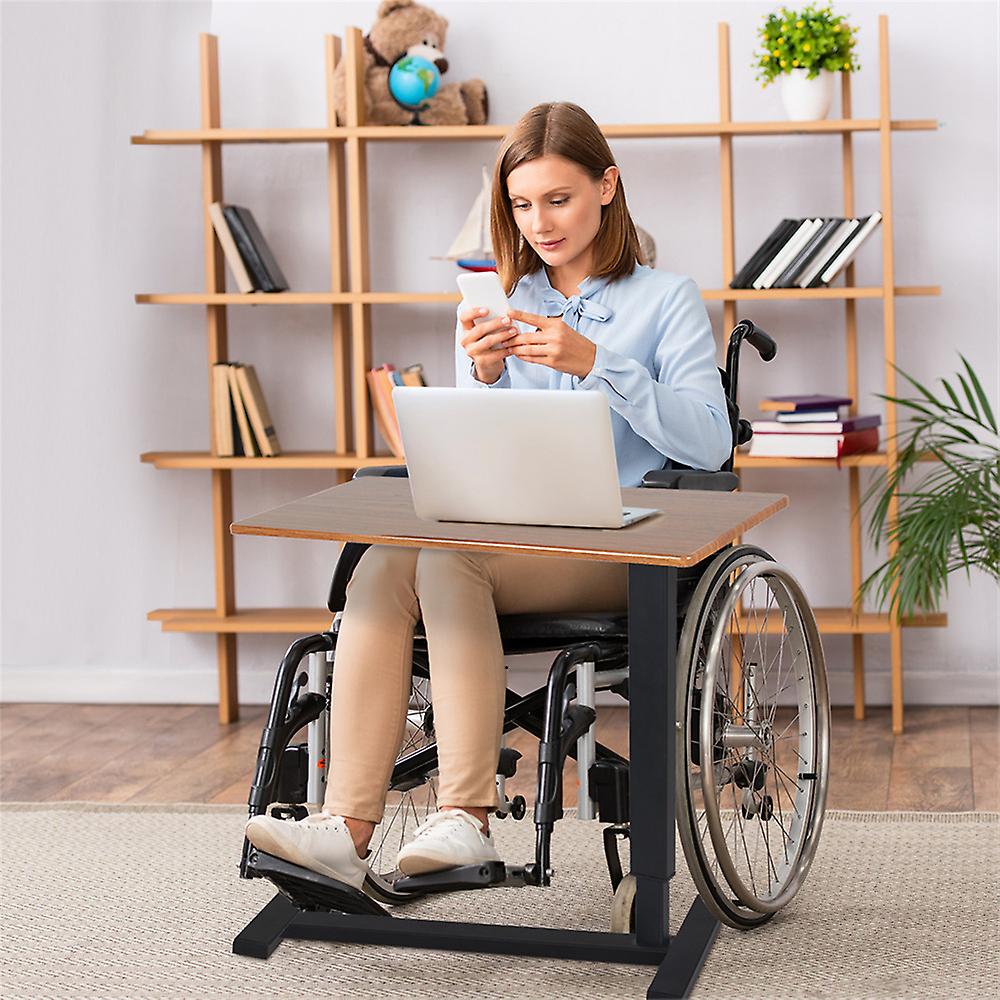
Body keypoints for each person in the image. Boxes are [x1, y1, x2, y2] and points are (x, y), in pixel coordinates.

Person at [244, 101, 732, 890]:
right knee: (379, 566)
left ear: (608, 186)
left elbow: (711, 443)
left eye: (559, 198)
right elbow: (472, 455)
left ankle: (466, 816)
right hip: (500, 538)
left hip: (624, 542)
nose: (539, 221)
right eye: (522, 203)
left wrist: (599, 363)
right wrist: (485, 374)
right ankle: (346, 825)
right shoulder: (501, 298)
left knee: (446, 563)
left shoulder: (665, 299)